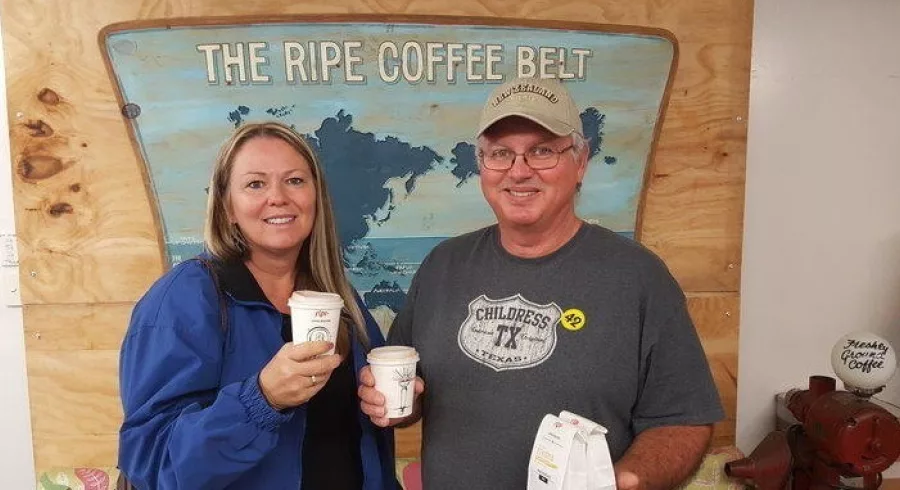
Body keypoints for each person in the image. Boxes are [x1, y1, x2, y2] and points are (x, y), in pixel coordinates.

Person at [358, 77, 725, 490]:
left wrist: (624, 481)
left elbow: (684, 421)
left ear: (580, 161)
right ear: (482, 165)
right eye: (500, 153)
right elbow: (410, 395)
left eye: (542, 151)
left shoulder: (639, 278)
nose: (519, 171)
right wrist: (389, 401)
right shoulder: (443, 264)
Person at [118, 121, 399, 489]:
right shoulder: (186, 297)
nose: (278, 197)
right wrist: (262, 399)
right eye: (255, 184)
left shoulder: (338, 297)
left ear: (316, 196)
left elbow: (359, 440)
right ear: (228, 208)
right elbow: (152, 460)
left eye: (295, 180)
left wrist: (388, 406)